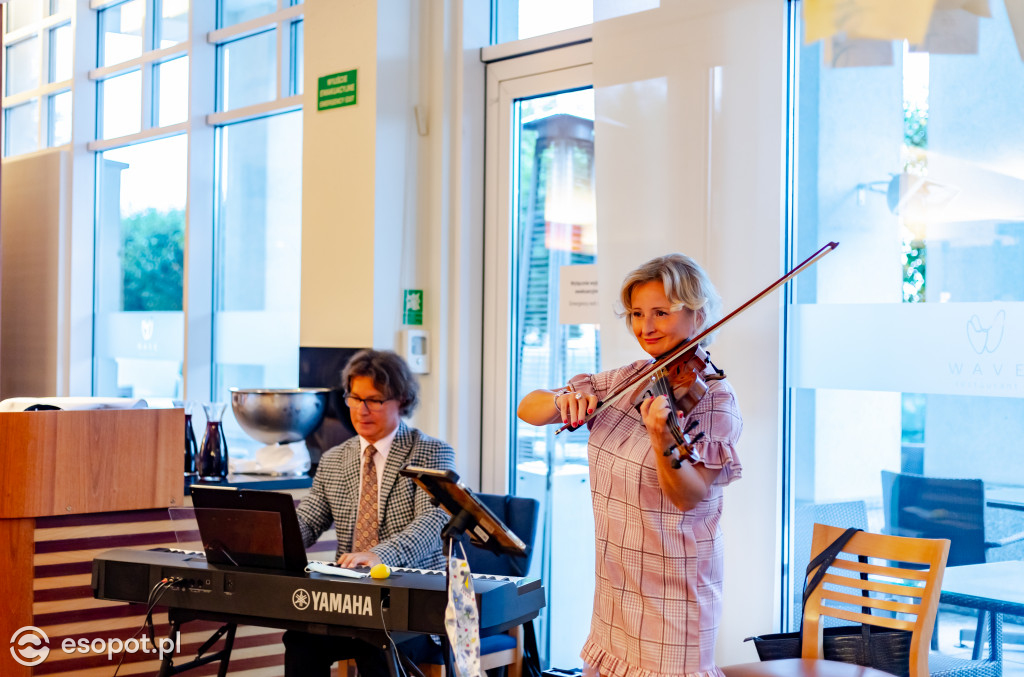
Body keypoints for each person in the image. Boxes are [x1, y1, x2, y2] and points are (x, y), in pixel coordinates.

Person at [517, 253, 743, 677]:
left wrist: (661, 438)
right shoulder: (632, 378)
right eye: (637, 314)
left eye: (661, 312)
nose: (646, 327)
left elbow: (690, 496)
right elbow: (527, 408)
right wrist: (560, 401)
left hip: (673, 601)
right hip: (616, 592)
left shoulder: (715, 401)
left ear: (699, 314)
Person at [283, 349, 455, 677]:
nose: (361, 410)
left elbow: (433, 522)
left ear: (402, 400)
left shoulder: (430, 451)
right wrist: (269, 539)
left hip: (413, 608)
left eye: (374, 400)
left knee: (377, 644)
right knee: (301, 640)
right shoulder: (335, 459)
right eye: (355, 398)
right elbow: (309, 519)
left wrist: (378, 555)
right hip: (349, 605)